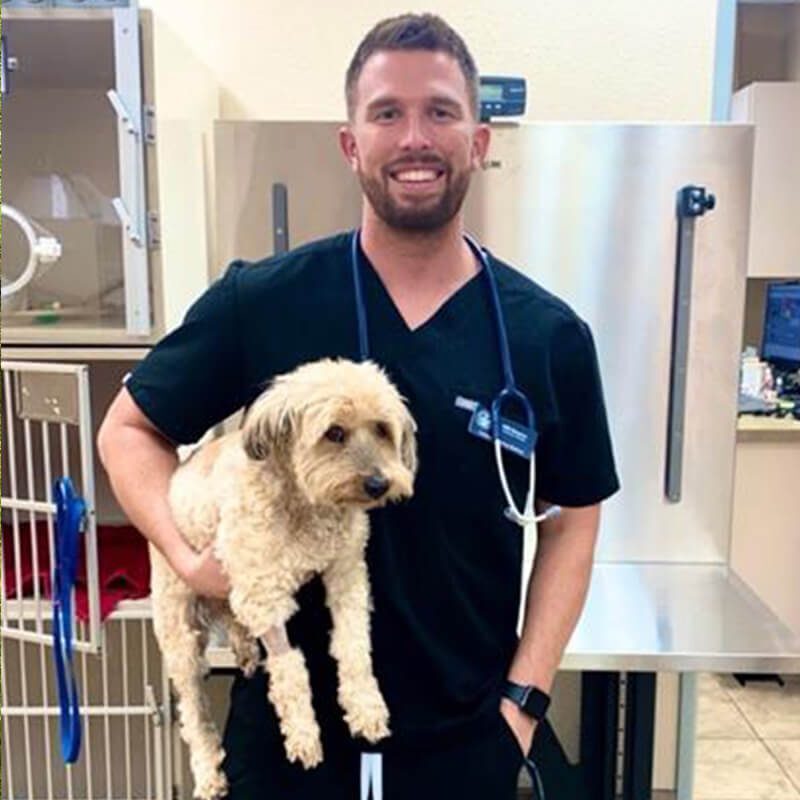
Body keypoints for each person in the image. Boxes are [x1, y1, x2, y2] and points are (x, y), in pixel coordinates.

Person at [98, 12, 619, 800]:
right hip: (288, 746)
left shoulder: (547, 337)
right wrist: (186, 556)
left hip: (465, 740)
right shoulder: (261, 303)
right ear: (350, 144)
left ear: (478, 140)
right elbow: (129, 429)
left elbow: (573, 519)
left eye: (440, 111)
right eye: (386, 113)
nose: (415, 137)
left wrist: (523, 703)